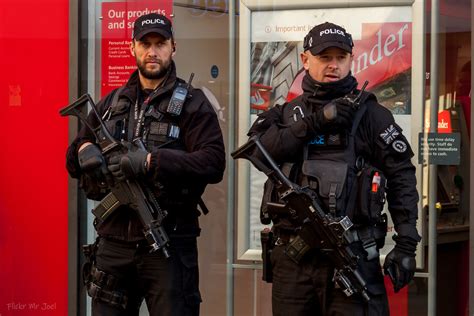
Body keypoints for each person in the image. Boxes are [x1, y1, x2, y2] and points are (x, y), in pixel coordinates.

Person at [247, 22, 421, 315]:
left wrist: (406, 244)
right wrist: (315, 122)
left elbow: (402, 176)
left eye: (341, 57)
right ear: (305, 60)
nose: (333, 65)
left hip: (351, 256)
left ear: (351, 59)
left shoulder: (371, 115)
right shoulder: (289, 113)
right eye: (324, 57)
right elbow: (258, 151)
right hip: (294, 262)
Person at [65, 13, 225, 316]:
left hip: (169, 245)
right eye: (145, 43)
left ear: (173, 48)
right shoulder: (111, 103)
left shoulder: (193, 103)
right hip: (113, 245)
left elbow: (213, 163)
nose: (153, 51)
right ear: (132, 48)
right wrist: (85, 150)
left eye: (160, 43)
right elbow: (74, 155)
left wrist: (153, 161)